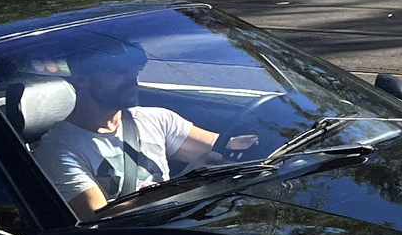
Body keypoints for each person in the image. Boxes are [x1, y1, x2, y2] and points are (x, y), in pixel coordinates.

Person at [33, 36, 251, 213]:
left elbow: (224, 148)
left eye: (133, 69)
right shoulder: (58, 152)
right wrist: (183, 185)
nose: (132, 78)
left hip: (185, 220)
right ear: (81, 79)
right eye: (118, 72)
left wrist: (273, 138)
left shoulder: (157, 119)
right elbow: (100, 219)